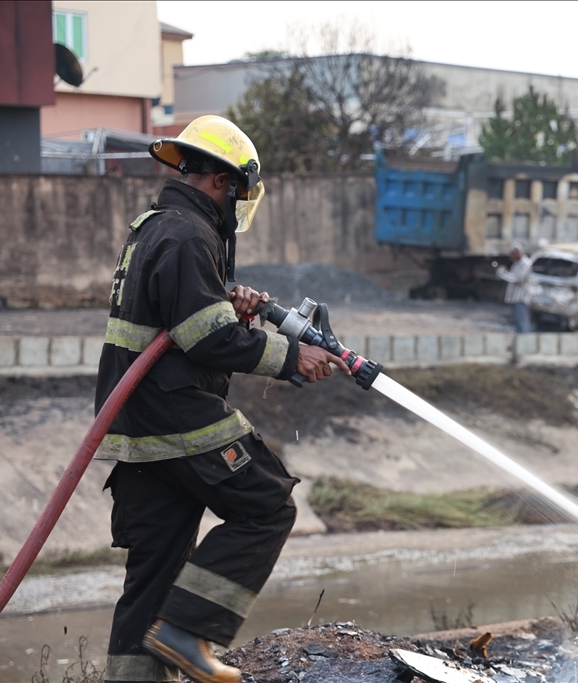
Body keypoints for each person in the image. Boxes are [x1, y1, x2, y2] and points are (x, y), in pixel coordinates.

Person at [95, 116, 349, 683]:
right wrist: (292, 357)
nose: (238, 203)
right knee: (267, 506)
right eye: (238, 191)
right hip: (176, 414)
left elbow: (184, 318)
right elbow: (205, 336)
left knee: (153, 579)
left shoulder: (154, 227)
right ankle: (189, 631)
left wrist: (224, 303)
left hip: (137, 425)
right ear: (223, 183)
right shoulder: (188, 235)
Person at [496, 243, 533, 333]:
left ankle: (525, 343)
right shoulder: (516, 263)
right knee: (517, 322)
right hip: (514, 298)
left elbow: (517, 279)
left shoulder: (526, 263)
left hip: (521, 298)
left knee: (522, 323)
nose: (511, 257)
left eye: (512, 254)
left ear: (517, 253)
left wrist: (503, 273)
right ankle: (519, 343)